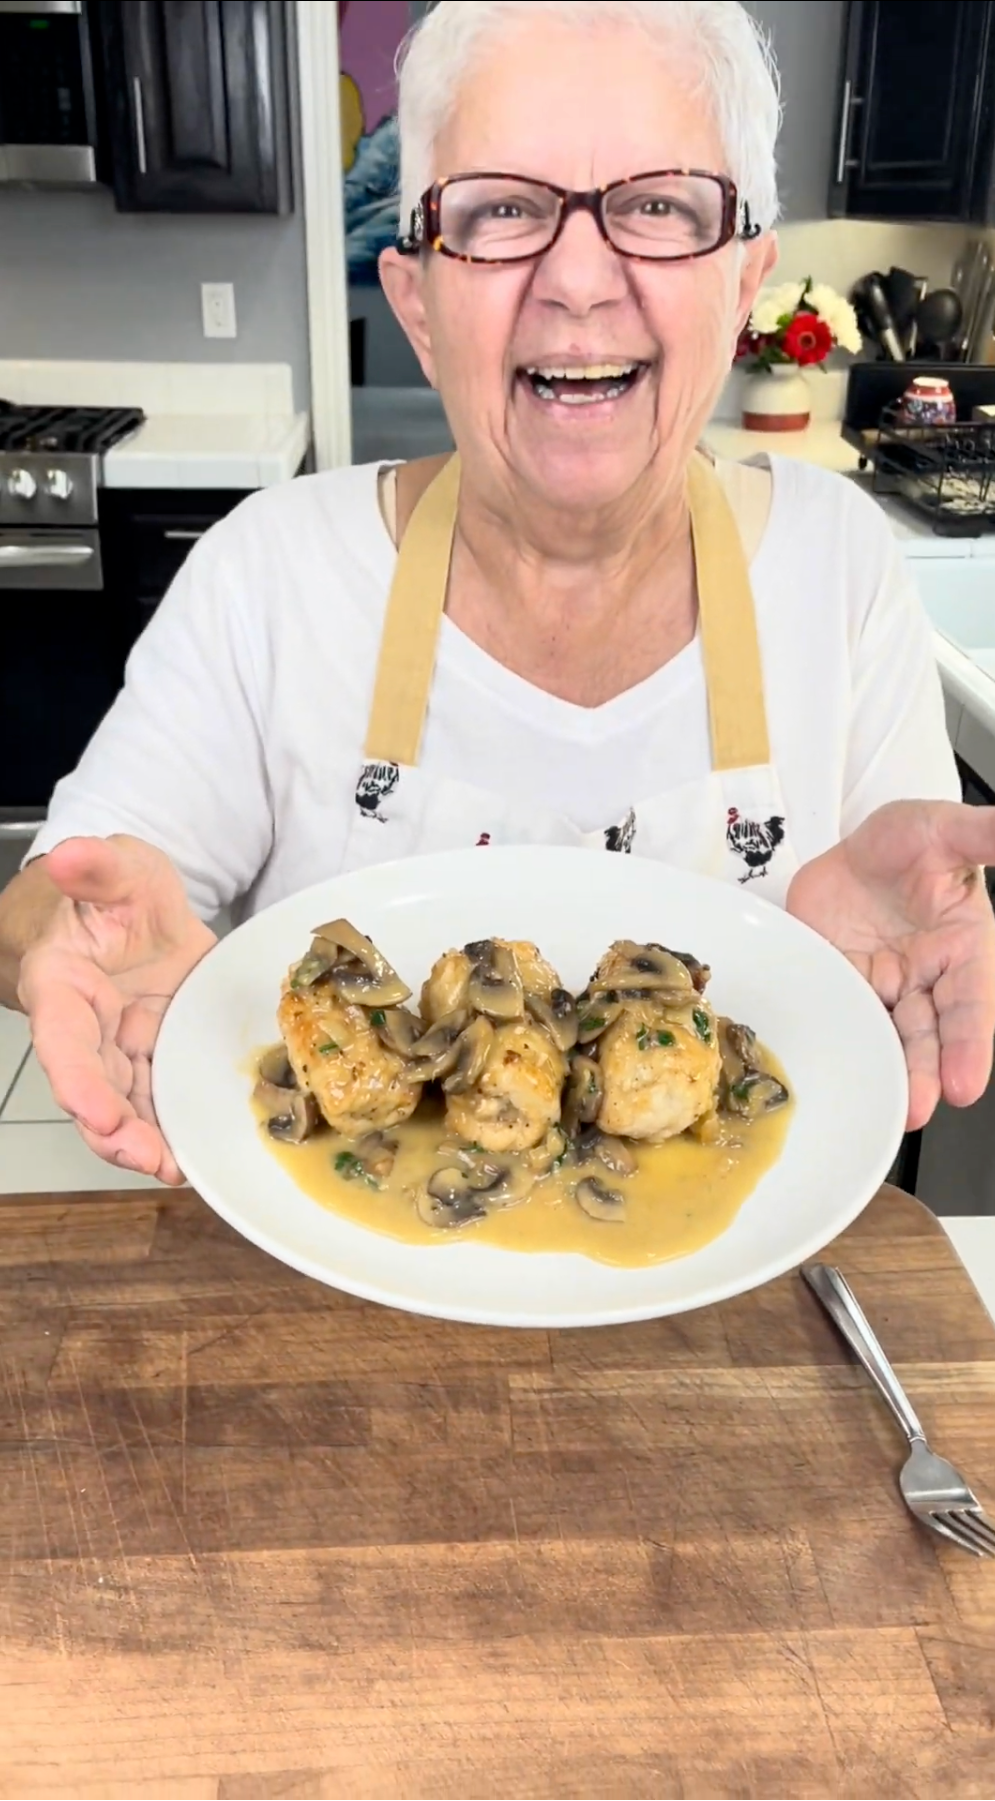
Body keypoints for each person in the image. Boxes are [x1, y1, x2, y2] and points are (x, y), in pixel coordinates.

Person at [1, 0, 993, 1188]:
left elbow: (898, 945)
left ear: (743, 288)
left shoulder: (836, 568)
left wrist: (880, 972)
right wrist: (55, 934)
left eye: (658, 205)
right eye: (504, 211)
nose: (577, 278)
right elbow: (61, 903)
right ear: (417, 303)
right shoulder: (264, 576)